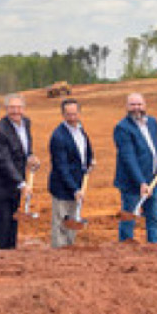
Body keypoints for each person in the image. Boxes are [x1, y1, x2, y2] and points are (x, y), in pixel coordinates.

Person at [0, 93, 40, 250]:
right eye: (12, 108)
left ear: (24, 109)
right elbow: (4, 161)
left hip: (15, 182)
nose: (16, 111)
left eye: (19, 107)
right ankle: (0, 257)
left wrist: (31, 156)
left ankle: (10, 255)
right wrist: (21, 183)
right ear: (6, 109)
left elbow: (24, 148)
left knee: (13, 220)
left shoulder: (26, 123)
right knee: (3, 222)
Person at [114, 92, 157, 243]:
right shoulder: (122, 128)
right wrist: (141, 182)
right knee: (129, 220)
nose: (136, 108)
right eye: (133, 105)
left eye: (139, 104)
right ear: (127, 107)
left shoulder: (152, 122)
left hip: (153, 180)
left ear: (144, 105)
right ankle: (125, 250)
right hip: (132, 184)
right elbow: (129, 158)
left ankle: (155, 251)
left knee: (154, 219)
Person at [48, 98, 94, 248]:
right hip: (62, 187)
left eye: (75, 114)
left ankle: (69, 251)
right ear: (63, 115)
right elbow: (61, 167)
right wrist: (74, 189)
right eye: (69, 114)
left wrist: (89, 163)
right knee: (61, 222)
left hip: (77, 184)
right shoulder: (58, 136)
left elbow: (85, 152)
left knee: (73, 222)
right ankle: (59, 255)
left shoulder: (81, 131)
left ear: (79, 113)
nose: (72, 118)